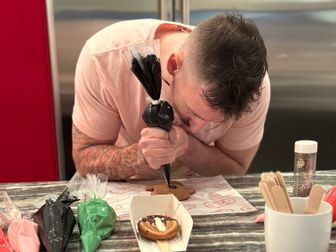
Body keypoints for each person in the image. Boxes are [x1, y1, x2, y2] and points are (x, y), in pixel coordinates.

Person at [72, 14, 270, 180]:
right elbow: (83, 159)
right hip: (124, 191)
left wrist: (188, 147)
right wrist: (138, 156)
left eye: (216, 124)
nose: (199, 129)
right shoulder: (104, 59)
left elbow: (235, 171)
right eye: (192, 114)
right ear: (174, 65)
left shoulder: (250, 89)